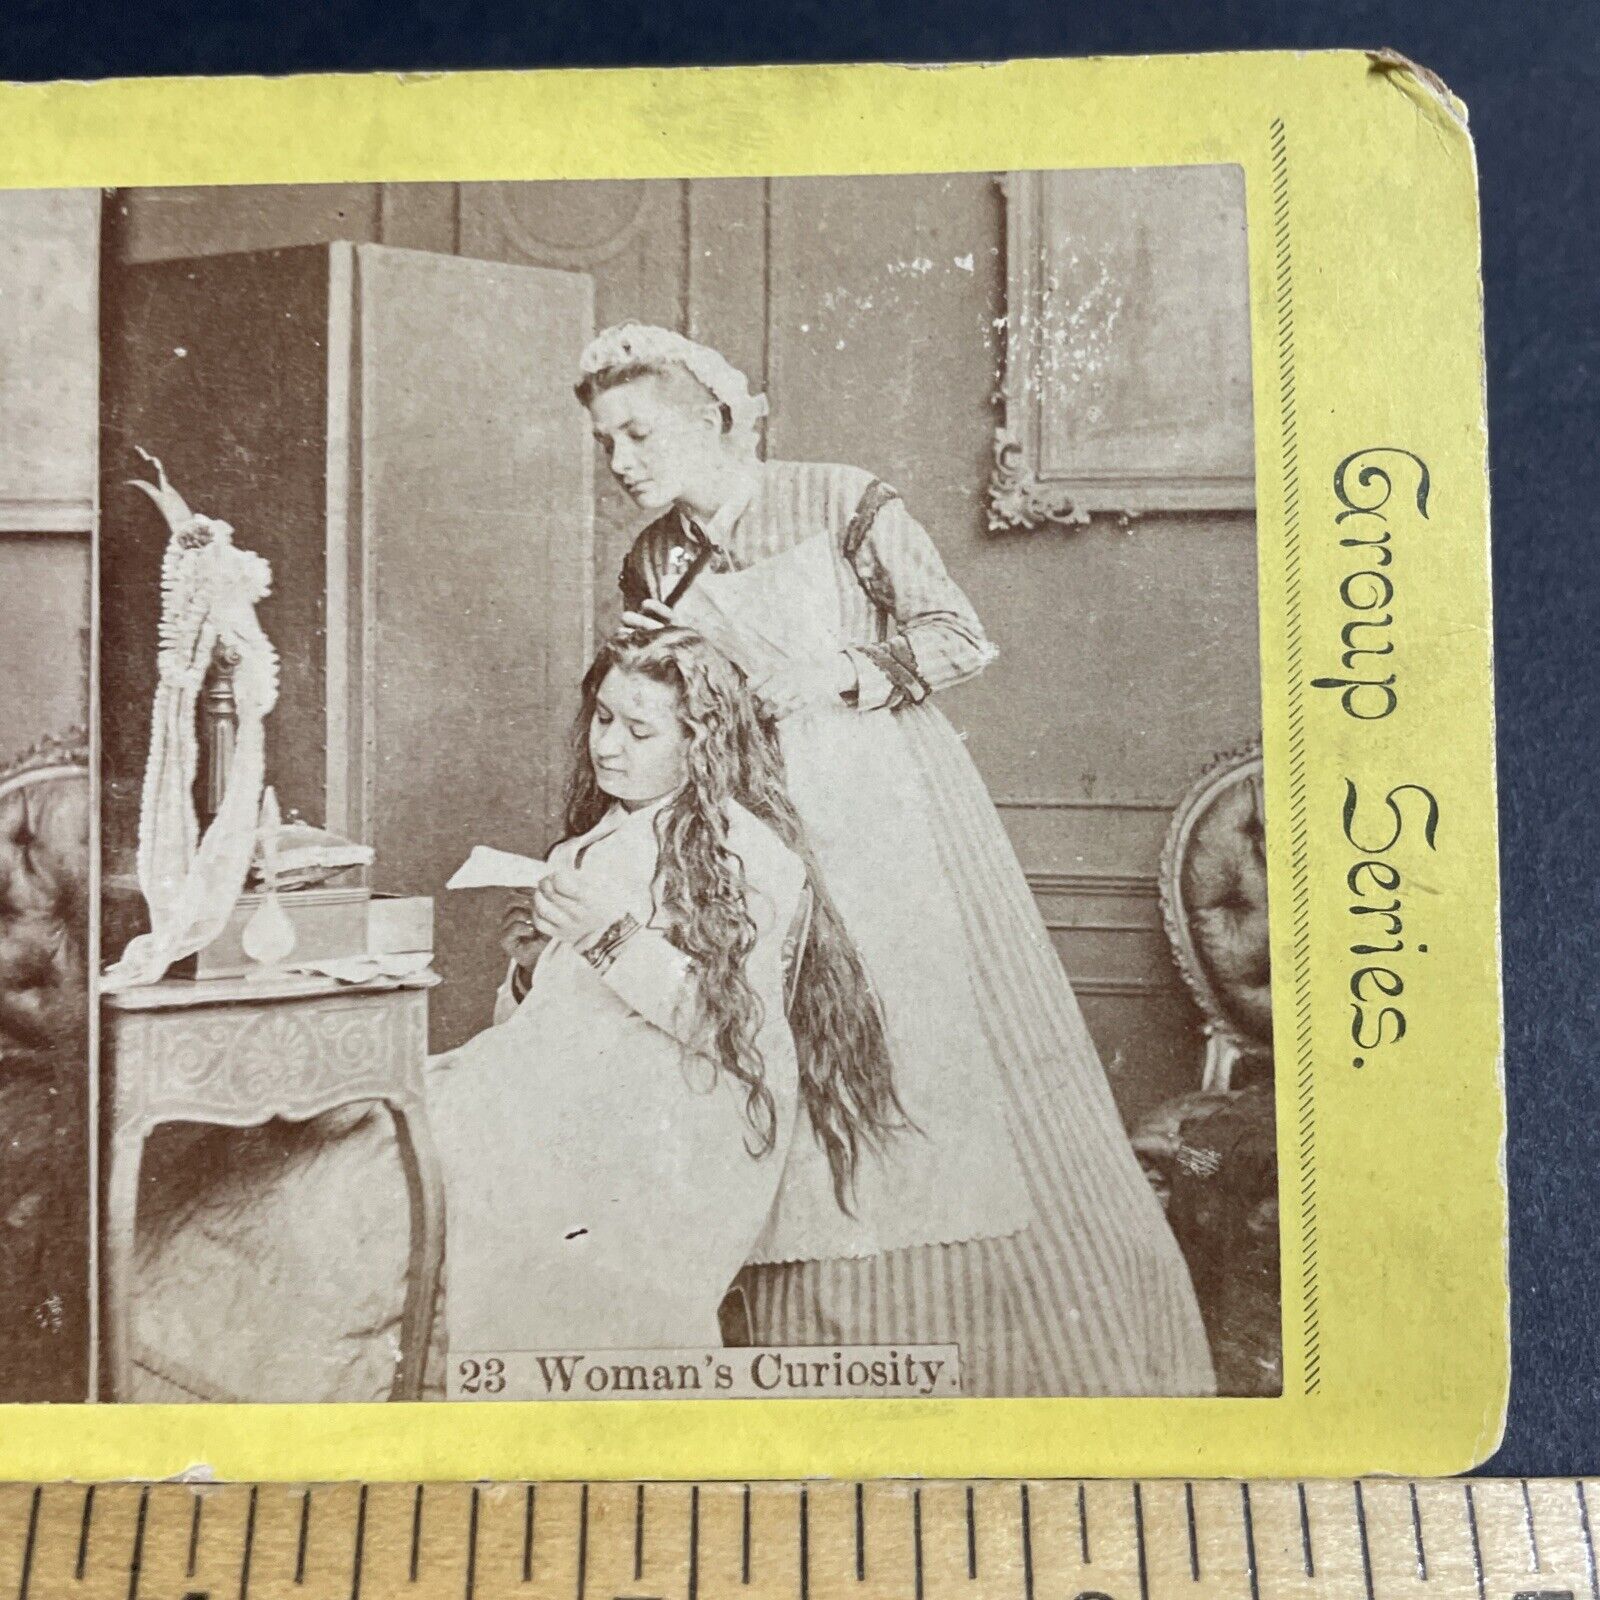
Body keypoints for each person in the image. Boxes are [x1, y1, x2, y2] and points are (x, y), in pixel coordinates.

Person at [564, 322, 1216, 1398]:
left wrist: (833, 675)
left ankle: (1032, 1356)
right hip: (759, 828)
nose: (621, 460)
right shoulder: (655, 558)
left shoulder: (841, 499)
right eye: (605, 443)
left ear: (714, 418)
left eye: (639, 432)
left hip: (890, 812)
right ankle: (814, 1357)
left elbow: (958, 635)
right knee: (788, 1058)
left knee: (935, 1059)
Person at [429, 626, 903, 1356]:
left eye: (639, 730)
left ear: (699, 743)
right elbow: (549, 1019)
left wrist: (606, 936)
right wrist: (527, 970)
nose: (607, 746)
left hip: (686, 1110)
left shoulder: (742, 852)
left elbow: (730, 1026)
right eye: (603, 717)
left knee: (485, 1158)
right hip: (582, 1081)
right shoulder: (588, 844)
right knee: (428, 1125)